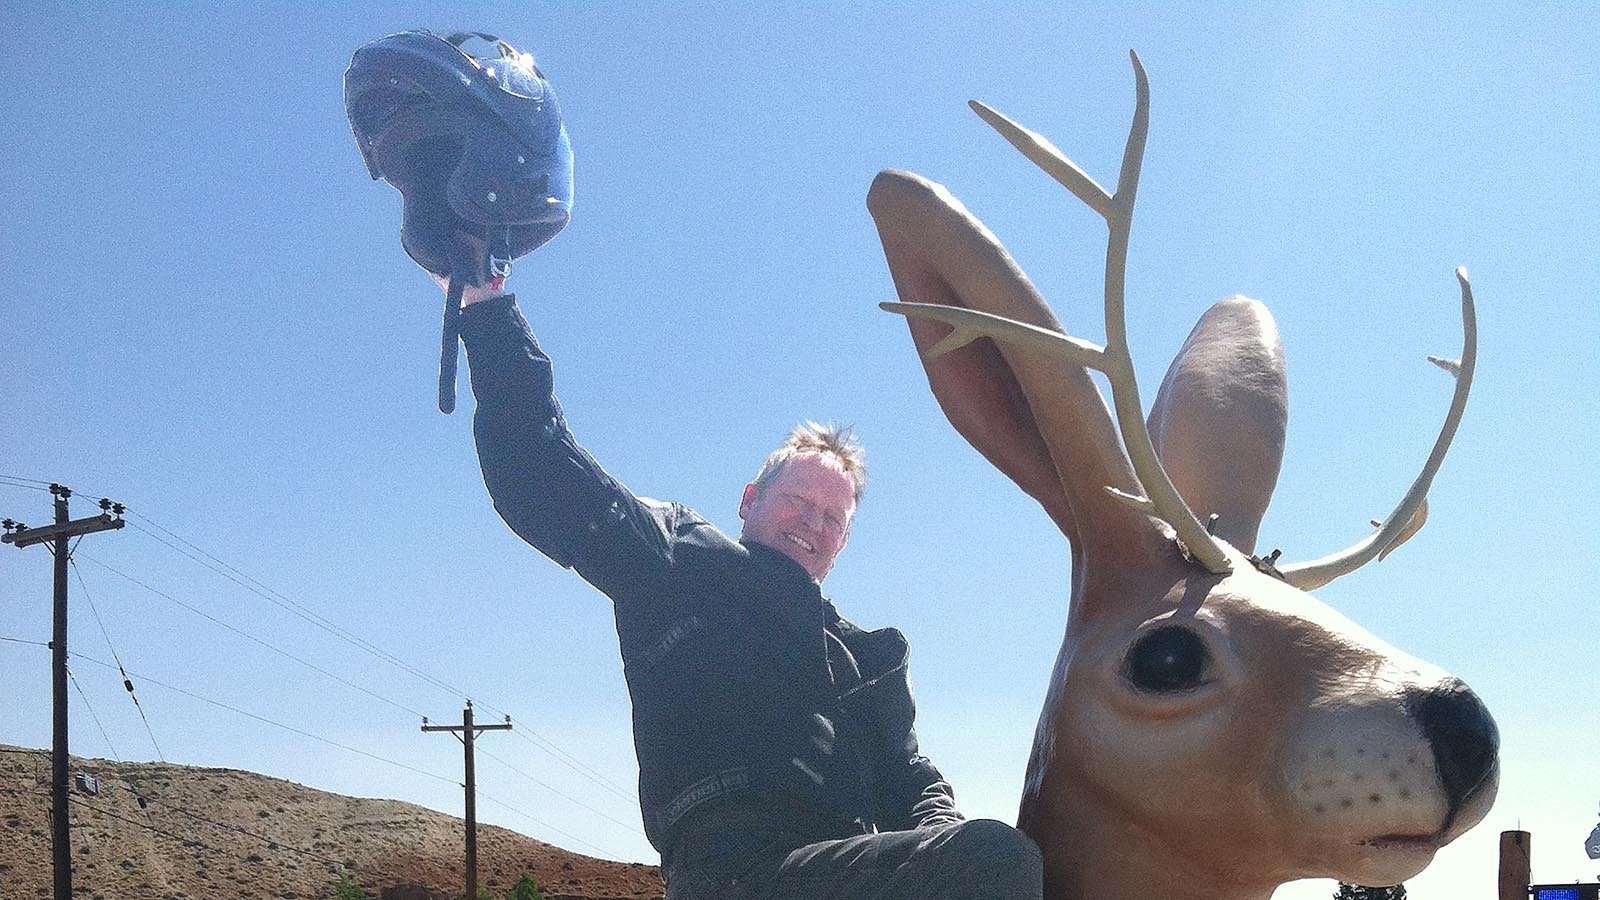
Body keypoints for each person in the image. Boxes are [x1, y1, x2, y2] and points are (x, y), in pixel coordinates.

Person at [444, 272, 1043, 899]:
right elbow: (542, 472)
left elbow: (911, 778)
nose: (813, 522)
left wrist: (940, 849)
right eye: (798, 500)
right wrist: (486, 309)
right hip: (729, 872)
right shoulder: (681, 563)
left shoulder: (869, 659)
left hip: (849, 866)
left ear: (841, 544)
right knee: (995, 861)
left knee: (1025, 861)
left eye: (833, 517)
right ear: (750, 500)